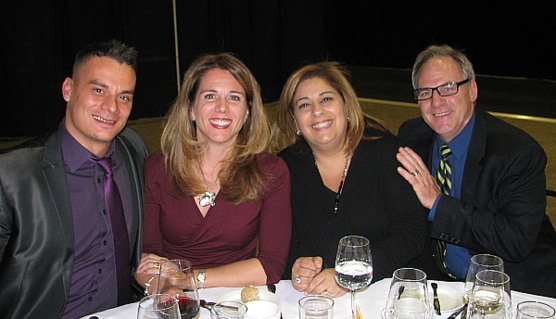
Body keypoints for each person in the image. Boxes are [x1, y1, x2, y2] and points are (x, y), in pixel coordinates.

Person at [0, 40, 148, 318]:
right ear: (68, 89)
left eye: (124, 96)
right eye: (98, 90)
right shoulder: (11, 175)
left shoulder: (133, 148)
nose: (111, 107)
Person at [396, 44, 556, 297]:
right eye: (425, 92)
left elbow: (515, 241)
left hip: (513, 289)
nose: (436, 102)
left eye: (448, 88)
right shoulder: (412, 136)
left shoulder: (517, 152)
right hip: (441, 287)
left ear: (472, 90)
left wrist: (437, 202)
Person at [134, 53, 291, 290]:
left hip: (236, 300)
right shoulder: (158, 167)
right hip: (169, 295)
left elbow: (270, 266)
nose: (222, 108)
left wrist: (190, 279)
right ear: (191, 109)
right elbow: (148, 259)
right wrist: (170, 295)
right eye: (210, 96)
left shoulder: (270, 171)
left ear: (247, 113)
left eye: (234, 98)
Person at [272, 61, 428, 297]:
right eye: (304, 104)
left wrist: (349, 275)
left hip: (385, 293)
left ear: (345, 105)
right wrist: (295, 264)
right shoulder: (284, 167)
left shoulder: (388, 154)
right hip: (315, 298)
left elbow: (411, 234)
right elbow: (278, 243)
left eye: (326, 99)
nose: (317, 111)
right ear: (294, 120)